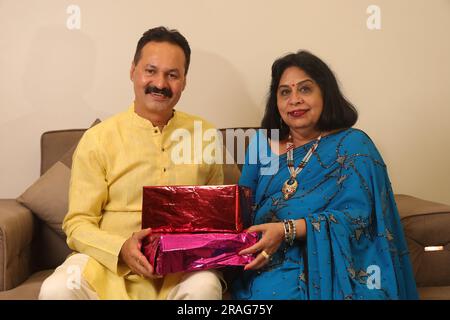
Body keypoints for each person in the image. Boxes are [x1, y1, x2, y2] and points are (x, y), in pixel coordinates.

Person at [38, 26, 225, 300]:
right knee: (56, 289)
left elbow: (213, 221)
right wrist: (121, 248)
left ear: (184, 81)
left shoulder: (205, 135)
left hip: (178, 269)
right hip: (106, 264)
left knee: (206, 286)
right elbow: (78, 223)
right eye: (151, 71)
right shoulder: (99, 139)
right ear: (133, 71)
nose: (160, 84)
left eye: (172, 75)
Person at [231, 50, 418, 300]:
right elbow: (240, 209)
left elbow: (361, 218)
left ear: (325, 94)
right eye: (285, 92)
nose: (294, 99)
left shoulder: (354, 146)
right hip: (271, 257)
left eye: (305, 89)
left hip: (338, 257)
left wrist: (289, 229)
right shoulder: (262, 144)